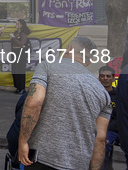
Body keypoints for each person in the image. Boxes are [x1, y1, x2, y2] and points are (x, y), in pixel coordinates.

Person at [18, 36, 111, 169]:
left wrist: (22, 142)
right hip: (79, 164)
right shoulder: (103, 92)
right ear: (89, 61)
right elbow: (100, 139)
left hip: (42, 158)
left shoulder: (47, 66)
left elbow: (34, 103)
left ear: (69, 49)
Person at [99, 65, 128, 169]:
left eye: (108, 76)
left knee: (104, 144)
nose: (105, 79)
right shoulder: (96, 95)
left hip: (114, 130)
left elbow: (120, 116)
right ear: (99, 78)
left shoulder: (119, 95)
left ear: (113, 78)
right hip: (97, 129)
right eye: (102, 76)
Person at [10, 19, 30, 94]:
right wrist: (12, 38)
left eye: (17, 23)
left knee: (20, 70)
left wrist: (13, 38)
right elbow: (15, 42)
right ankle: (17, 87)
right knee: (15, 70)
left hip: (21, 53)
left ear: (21, 25)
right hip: (14, 52)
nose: (15, 25)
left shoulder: (23, 33)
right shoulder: (15, 33)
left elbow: (21, 44)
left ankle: (22, 88)